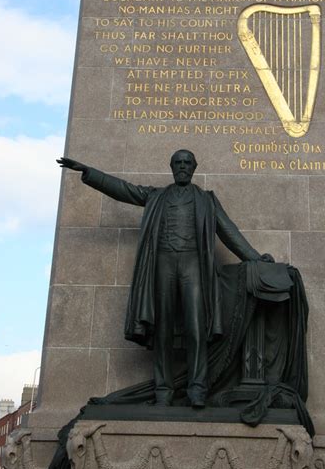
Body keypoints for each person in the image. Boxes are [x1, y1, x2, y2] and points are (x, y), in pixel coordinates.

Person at [57, 150, 273, 408]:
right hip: (164, 263)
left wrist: (255, 258)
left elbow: (229, 231)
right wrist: (89, 173)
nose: (182, 167)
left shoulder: (206, 200)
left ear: (194, 168)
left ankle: (197, 388)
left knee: (196, 327)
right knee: (163, 328)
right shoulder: (156, 196)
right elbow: (124, 190)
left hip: (194, 264)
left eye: (187, 163)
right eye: (178, 163)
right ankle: (163, 390)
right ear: (171, 167)